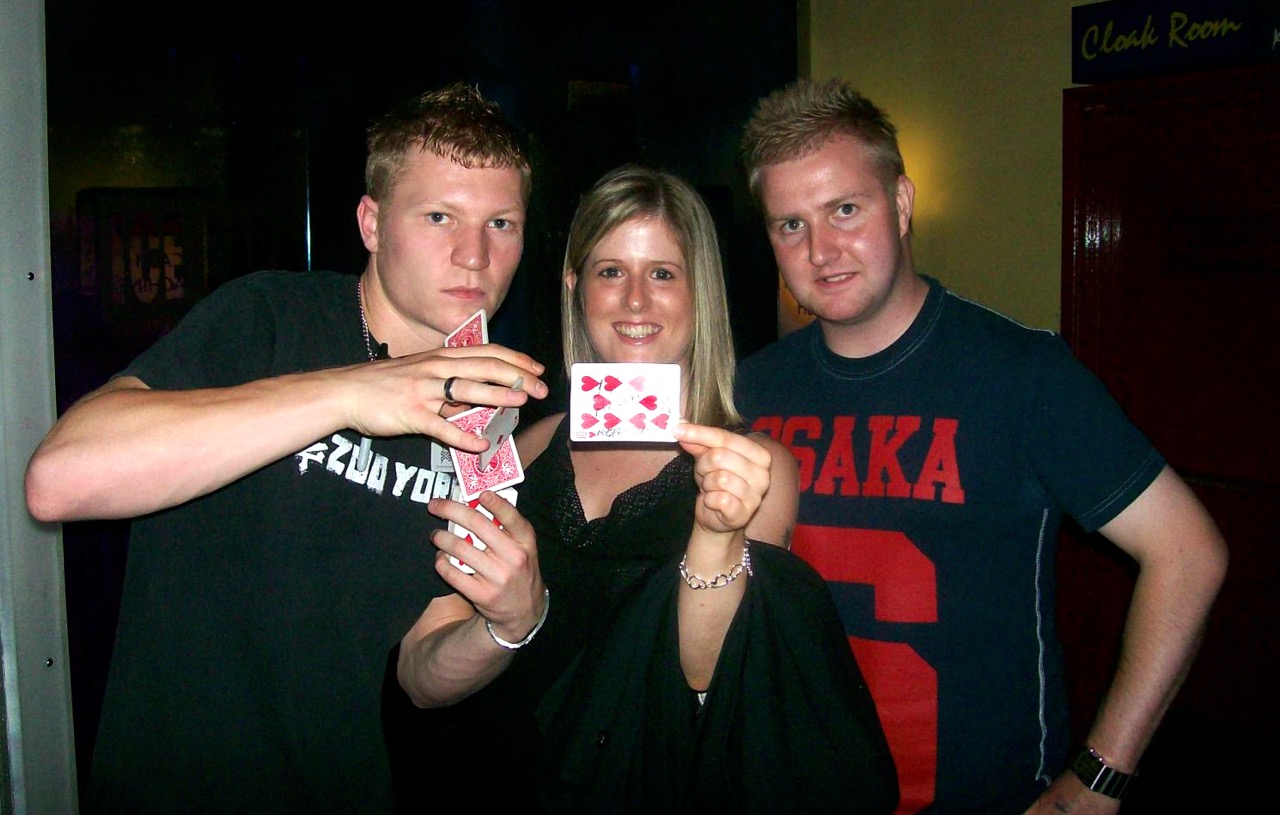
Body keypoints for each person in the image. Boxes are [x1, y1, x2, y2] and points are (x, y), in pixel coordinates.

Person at [24, 83, 549, 814]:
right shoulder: (269, 316)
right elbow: (60, 478)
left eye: (502, 222)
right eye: (439, 217)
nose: (474, 253)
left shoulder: (485, 414)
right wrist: (346, 393)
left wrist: (508, 624)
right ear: (371, 223)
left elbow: (423, 669)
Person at [732, 78, 1229, 814]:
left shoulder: (1022, 374)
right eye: (790, 225)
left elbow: (1188, 552)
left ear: (900, 204)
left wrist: (1099, 777)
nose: (822, 250)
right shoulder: (751, 389)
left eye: (845, 209)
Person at [385, 165, 899, 813]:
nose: (634, 300)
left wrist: (716, 534)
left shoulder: (749, 472)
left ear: (698, 295)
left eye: (662, 273)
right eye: (609, 271)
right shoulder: (519, 451)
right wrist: (503, 625)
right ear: (575, 287)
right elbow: (422, 683)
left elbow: (710, 686)